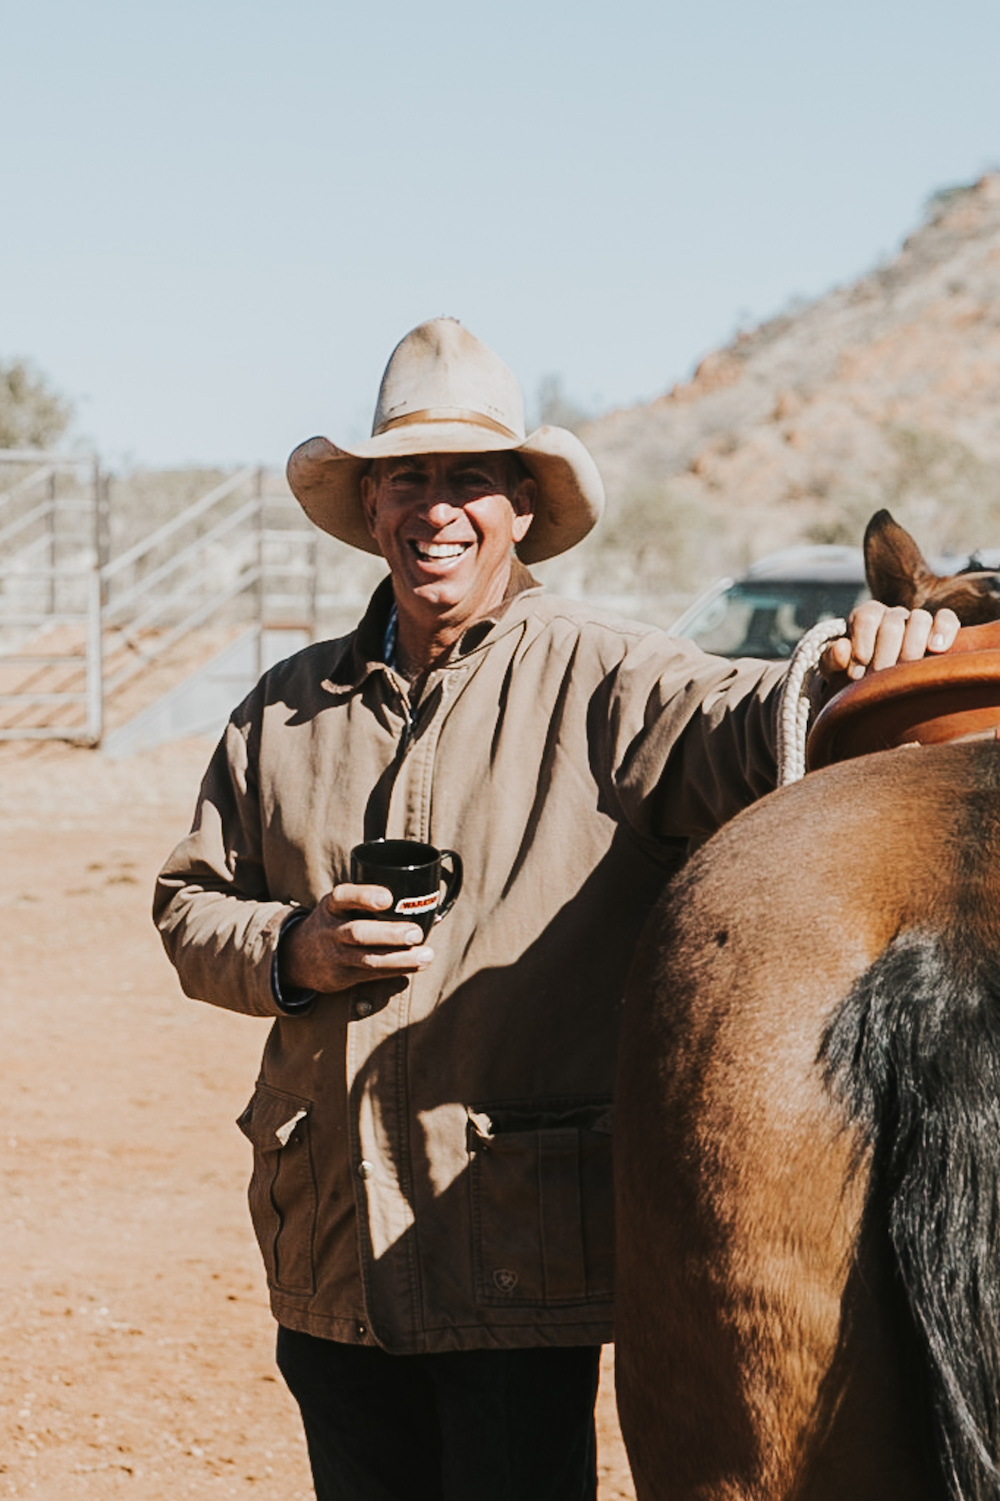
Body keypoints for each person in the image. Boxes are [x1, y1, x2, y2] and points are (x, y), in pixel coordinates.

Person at [153, 318, 959, 1501]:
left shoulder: (614, 676)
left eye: (468, 479)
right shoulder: (282, 710)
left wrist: (860, 657)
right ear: (370, 508)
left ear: (520, 507)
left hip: (514, 1253)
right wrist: (292, 946)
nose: (436, 508)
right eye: (406, 479)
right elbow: (187, 905)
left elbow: (751, 721)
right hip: (323, 1251)